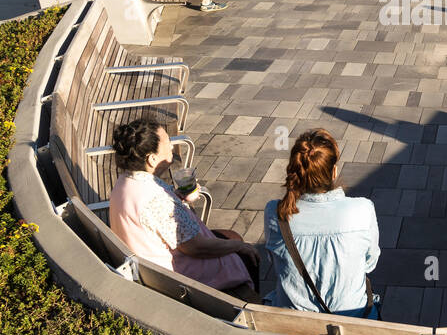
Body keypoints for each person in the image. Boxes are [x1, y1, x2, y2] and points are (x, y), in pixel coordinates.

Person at [109, 117, 260, 295]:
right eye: (167, 142)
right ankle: (252, 303)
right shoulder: (155, 201)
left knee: (232, 237)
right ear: (152, 159)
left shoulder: (125, 181)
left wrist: (177, 197)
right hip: (180, 281)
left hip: (152, 266)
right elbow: (196, 248)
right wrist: (238, 247)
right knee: (248, 255)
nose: (172, 146)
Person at [263, 128, 380, 318]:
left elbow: (273, 260)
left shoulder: (275, 212)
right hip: (354, 321)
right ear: (333, 172)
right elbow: (369, 264)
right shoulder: (363, 209)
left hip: (292, 324)